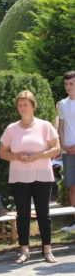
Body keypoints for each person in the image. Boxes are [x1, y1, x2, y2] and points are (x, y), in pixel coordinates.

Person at [0, 90, 60, 264]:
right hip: (19, 176)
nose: (22, 108)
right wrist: (17, 156)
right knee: (23, 214)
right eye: (19, 104)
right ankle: (24, 250)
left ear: (33, 106)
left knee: (43, 213)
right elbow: (2, 153)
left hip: (42, 174)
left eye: (25, 104)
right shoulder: (11, 128)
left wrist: (38, 156)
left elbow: (56, 148)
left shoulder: (44, 125)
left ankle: (47, 249)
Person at [58, 71, 75, 231]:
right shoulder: (62, 104)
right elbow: (60, 128)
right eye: (66, 84)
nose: (68, 87)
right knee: (72, 186)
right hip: (67, 151)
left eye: (71, 84)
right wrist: (63, 146)